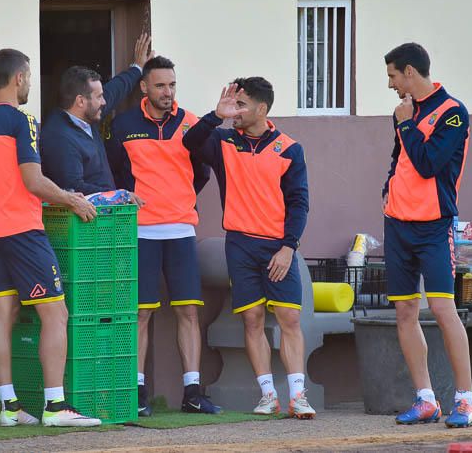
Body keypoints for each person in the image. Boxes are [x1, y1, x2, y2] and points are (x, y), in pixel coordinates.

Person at [0, 48, 100, 427]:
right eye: (29, 76)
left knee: (2, 315)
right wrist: (70, 198)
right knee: (56, 312)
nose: (30, 83)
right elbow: (33, 181)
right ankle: (56, 408)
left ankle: (9, 407)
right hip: (21, 229)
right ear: (19, 78)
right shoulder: (22, 119)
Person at [183, 78, 315, 419]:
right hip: (239, 244)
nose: (236, 111)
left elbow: (299, 203)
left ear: (262, 108)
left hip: (277, 247)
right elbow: (190, 141)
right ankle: (268, 395)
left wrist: (288, 248)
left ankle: (298, 396)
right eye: (234, 105)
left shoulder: (289, 148)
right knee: (252, 319)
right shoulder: (223, 140)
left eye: (242, 105)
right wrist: (216, 115)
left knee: (289, 317)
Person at [106, 56, 216, 415]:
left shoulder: (191, 123)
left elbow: (202, 173)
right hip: (140, 231)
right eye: (160, 86)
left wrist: (179, 196)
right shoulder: (122, 125)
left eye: (172, 85)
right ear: (144, 87)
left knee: (188, 311)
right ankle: (137, 393)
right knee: (140, 313)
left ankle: (193, 392)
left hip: (182, 229)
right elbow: (115, 175)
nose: (167, 92)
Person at [382, 43, 472, 428]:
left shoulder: (452, 112)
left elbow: (427, 165)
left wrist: (405, 123)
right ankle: (425, 399)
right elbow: (400, 159)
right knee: (404, 311)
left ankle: (465, 400)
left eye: (391, 75)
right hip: (397, 224)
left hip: (434, 226)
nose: (389, 84)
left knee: (442, 309)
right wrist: (387, 190)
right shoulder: (405, 111)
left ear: (409, 72)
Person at [40, 33, 153, 200]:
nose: (104, 101)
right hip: (84, 224)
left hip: (103, 218)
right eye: (99, 96)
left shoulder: (86, 115)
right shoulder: (59, 137)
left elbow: (114, 90)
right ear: (80, 101)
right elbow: (73, 187)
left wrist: (137, 68)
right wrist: (118, 196)